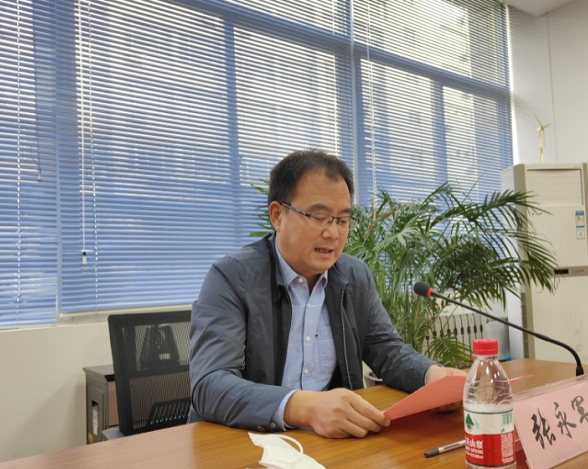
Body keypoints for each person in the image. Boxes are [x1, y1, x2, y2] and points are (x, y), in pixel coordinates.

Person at [188, 148, 464, 438]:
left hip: (329, 441)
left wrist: (430, 374)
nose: (333, 233)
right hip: (244, 441)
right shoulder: (232, 277)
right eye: (319, 217)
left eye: (342, 220)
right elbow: (210, 384)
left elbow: (388, 352)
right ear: (277, 215)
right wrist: (306, 407)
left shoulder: (354, 276)